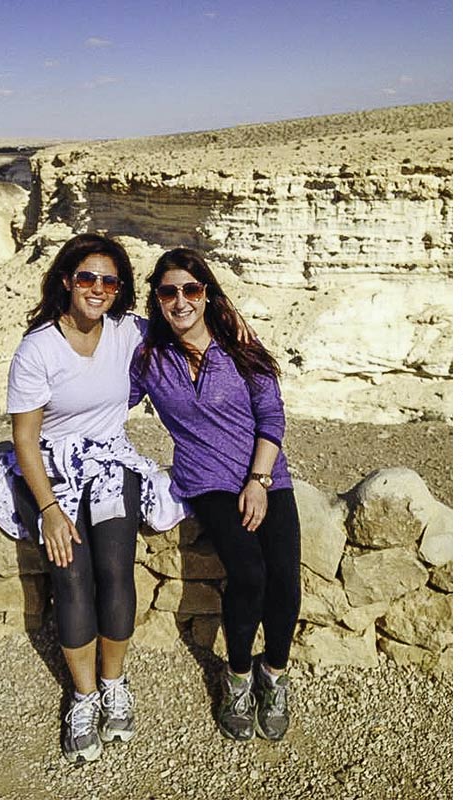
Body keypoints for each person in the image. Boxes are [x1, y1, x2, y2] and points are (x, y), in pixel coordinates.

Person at [0, 233, 186, 763]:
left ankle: (114, 683)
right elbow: (25, 439)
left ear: (118, 290)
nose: (97, 289)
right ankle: (82, 697)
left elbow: (185, 326)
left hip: (108, 461)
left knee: (116, 569)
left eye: (109, 281)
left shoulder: (127, 332)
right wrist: (49, 510)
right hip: (50, 465)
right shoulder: (38, 348)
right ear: (65, 281)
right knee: (72, 576)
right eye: (86, 278)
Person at [129, 248, 300, 742]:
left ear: (206, 293)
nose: (180, 301)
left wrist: (259, 482)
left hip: (265, 475)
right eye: (168, 292)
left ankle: (276, 674)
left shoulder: (240, 349)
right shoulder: (150, 360)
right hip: (205, 480)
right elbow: (109, 396)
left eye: (190, 289)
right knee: (248, 574)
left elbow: (272, 418)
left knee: (286, 583)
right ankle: (239, 678)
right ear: (156, 300)